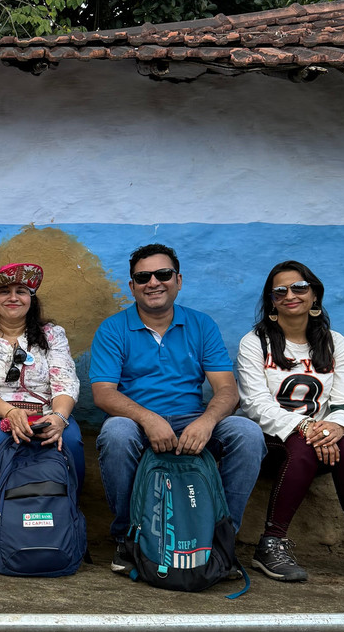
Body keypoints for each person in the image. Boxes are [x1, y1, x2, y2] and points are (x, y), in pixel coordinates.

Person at [90, 243, 265, 574]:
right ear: (132, 286)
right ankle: (129, 538)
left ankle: (220, 539)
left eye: (163, 274)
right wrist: (148, 418)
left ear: (178, 280)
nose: (153, 282)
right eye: (143, 277)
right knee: (116, 433)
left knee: (247, 433)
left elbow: (227, 390)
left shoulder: (201, 325)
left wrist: (207, 422)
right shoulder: (113, 329)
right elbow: (103, 393)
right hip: (137, 421)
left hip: (193, 419)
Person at [236, 261, 344, 584]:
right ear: (272, 302)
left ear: (314, 295)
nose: (291, 295)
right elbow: (255, 404)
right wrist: (305, 427)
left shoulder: (335, 343)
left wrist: (334, 427)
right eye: (280, 291)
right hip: (270, 444)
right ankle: (271, 544)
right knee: (301, 445)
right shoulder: (255, 342)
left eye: (299, 288)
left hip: (319, 441)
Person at [0, 262, 84, 496]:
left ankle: (70, 507)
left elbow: (65, 381)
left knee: (71, 439)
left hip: (47, 411)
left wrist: (59, 417)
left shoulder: (52, 335)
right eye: (4, 292)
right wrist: (10, 412)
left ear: (31, 299)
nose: (13, 298)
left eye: (21, 291)